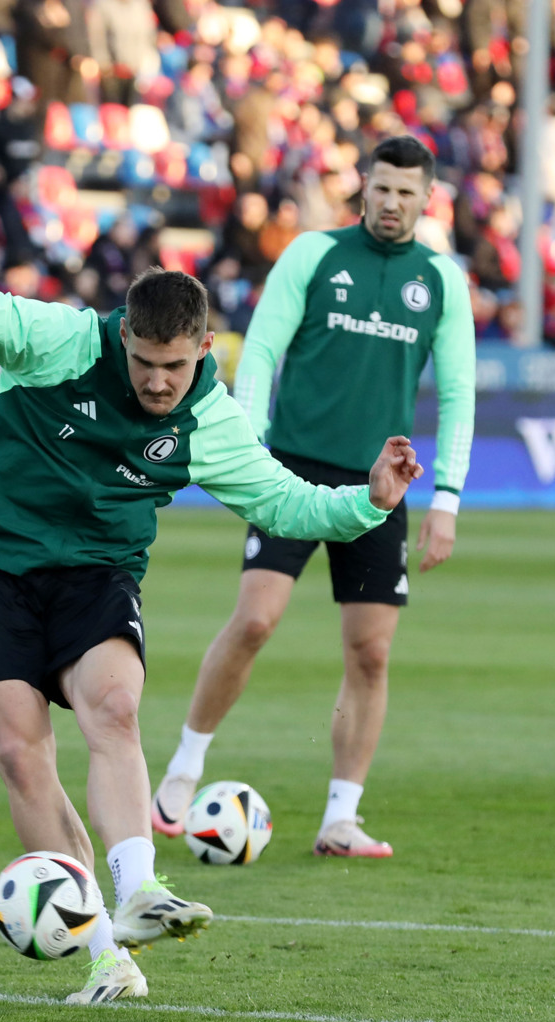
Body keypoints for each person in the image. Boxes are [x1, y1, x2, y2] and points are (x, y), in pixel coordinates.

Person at [0, 269, 423, 1004]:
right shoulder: (61, 341)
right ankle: (108, 957)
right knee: (22, 752)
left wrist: (368, 500)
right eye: (143, 361)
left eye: (175, 364)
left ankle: (140, 887)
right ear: (122, 335)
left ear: (207, 347)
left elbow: (282, 500)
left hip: (99, 575)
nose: (157, 380)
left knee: (114, 707)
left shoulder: (208, 413)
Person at [150, 135, 476, 860]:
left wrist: (446, 500)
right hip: (291, 470)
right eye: (381, 187)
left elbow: (458, 394)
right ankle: (183, 765)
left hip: (378, 486)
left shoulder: (442, 282)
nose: (392, 202)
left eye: (406, 192)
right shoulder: (312, 254)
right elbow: (261, 351)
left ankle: (341, 817)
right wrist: (249, 446)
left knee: (370, 652)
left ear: (428, 199)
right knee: (257, 620)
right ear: (364, 186)